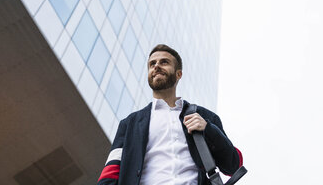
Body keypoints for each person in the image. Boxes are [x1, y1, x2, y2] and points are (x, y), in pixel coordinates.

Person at [97, 44, 243, 185]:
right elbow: (111, 170)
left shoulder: (206, 117)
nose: (156, 66)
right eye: (152, 64)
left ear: (178, 74)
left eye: (164, 62)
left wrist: (209, 129)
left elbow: (233, 165)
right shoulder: (129, 124)